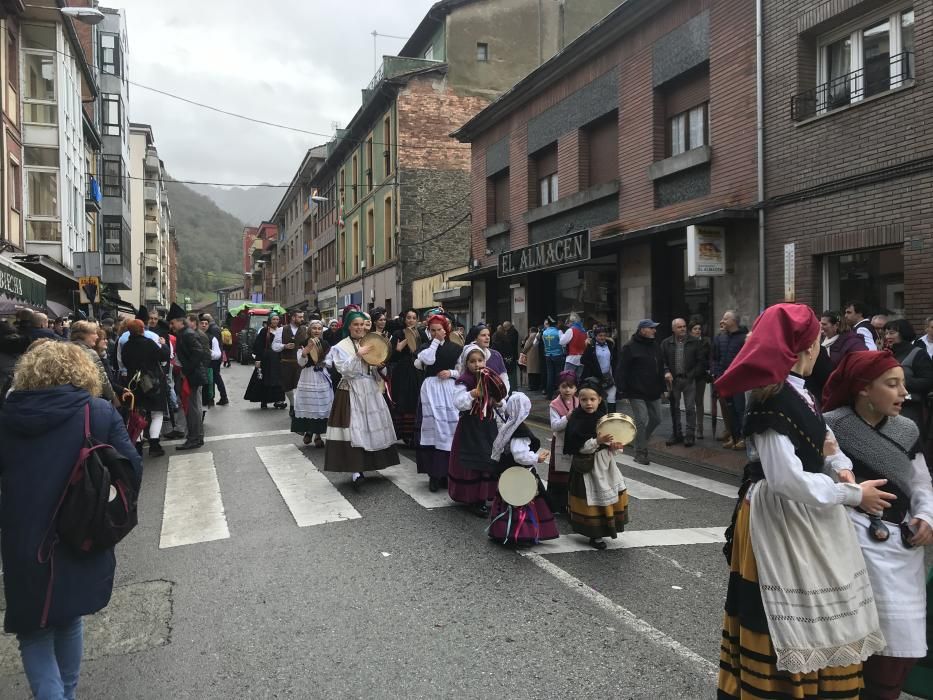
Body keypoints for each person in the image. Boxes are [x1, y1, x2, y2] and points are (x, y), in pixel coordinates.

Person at [715, 303, 887, 699]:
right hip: (780, 518)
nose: (821, 350)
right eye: (817, 344)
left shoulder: (800, 392)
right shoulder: (770, 400)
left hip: (812, 512)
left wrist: (841, 467)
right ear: (806, 347)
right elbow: (786, 479)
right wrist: (853, 493)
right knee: (785, 613)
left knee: (823, 609)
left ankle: (818, 687)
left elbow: (826, 442)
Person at [0, 341, 141, 700]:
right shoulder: (96, 412)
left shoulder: (7, 416)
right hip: (82, 527)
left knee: (33, 629)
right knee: (68, 618)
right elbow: (130, 468)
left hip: (23, 536)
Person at [822, 350, 933, 699]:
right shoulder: (832, 425)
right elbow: (819, 481)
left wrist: (926, 515)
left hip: (903, 546)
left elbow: (920, 483)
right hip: (852, 544)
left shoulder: (907, 429)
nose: (905, 393)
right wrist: (855, 495)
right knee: (861, 643)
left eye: (903, 384)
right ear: (863, 389)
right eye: (892, 384)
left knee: (904, 646)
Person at [323, 310, 399, 487]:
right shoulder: (341, 346)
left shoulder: (371, 342)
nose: (359, 328)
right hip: (350, 390)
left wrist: (379, 366)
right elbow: (345, 371)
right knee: (354, 429)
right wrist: (358, 355)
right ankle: (356, 469)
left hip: (370, 389)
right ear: (349, 326)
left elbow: (376, 369)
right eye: (355, 324)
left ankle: (373, 462)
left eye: (361, 324)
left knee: (371, 426)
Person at [563, 378, 629, 550]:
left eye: (592, 399)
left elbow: (613, 441)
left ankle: (607, 527)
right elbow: (578, 447)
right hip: (587, 468)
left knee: (606, 496)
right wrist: (596, 441)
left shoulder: (604, 418)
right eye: (584, 399)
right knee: (592, 499)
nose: (588, 403)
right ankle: (595, 534)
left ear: (600, 399)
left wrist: (614, 446)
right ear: (579, 400)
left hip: (605, 465)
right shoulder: (577, 418)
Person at [487, 392, 559, 546]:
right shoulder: (520, 431)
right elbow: (519, 455)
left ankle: (500, 530)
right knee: (521, 502)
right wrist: (536, 458)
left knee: (507, 501)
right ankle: (520, 535)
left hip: (508, 472)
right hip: (519, 474)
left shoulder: (509, 426)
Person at [448, 344, 502, 516]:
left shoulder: (490, 377)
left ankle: (485, 495)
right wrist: (472, 394)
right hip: (469, 427)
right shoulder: (464, 381)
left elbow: (500, 397)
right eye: (473, 361)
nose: (477, 364)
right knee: (471, 460)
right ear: (466, 363)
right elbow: (458, 402)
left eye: (480, 360)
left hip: (488, 425)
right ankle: (471, 497)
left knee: (487, 457)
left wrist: (499, 401)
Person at [414, 314, 461, 492]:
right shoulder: (425, 347)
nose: (436, 333)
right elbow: (427, 361)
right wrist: (434, 342)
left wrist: (451, 373)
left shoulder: (455, 348)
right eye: (432, 330)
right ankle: (433, 474)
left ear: (446, 330)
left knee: (450, 429)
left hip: (449, 389)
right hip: (431, 390)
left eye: (439, 330)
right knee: (432, 429)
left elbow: (462, 370)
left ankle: (448, 473)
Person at [616, 319, 664, 465]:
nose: (654, 331)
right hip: (636, 391)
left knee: (657, 419)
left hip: (653, 389)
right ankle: (640, 452)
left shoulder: (655, 346)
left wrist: (663, 387)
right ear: (642, 330)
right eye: (651, 328)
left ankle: (639, 440)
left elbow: (660, 367)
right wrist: (622, 390)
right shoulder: (629, 347)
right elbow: (621, 370)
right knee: (641, 420)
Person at [122, 319, 171, 457]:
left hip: (134, 382)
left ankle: (137, 445)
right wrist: (164, 345)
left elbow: (123, 362)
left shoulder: (126, 346)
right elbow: (163, 357)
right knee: (156, 413)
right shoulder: (149, 343)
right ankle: (154, 445)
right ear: (142, 329)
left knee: (138, 414)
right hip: (152, 382)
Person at [168, 303, 209, 450]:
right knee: (194, 408)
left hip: (192, 376)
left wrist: (186, 370)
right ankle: (197, 437)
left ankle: (194, 438)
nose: (171, 326)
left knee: (192, 409)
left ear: (180, 321)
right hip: (193, 374)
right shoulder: (185, 334)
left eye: (173, 323)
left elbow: (199, 352)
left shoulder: (187, 334)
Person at [885, 319, 933, 444]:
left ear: (903, 333)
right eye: (886, 333)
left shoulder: (918, 354)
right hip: (887, 408)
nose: (887, 336)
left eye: (891, 333)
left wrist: (900, 381)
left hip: (909, 409)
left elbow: (928, 381)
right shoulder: (886, 354)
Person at [660, 318, 705, 447]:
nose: (683, 329)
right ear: (673, 329)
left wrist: (692, 375)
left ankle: (690, 435)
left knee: (690, 408)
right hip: (673, 381)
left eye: (684, 326)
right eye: (679, 327)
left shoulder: (695, 342)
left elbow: (701, 362)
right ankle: (676, 434)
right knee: (674, 408)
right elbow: (662, 361)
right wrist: (666, 371)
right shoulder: (666, 343)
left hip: (689, 380)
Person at [711, 310, 748, 450]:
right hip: (723, 380)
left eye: (726, 319)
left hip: (738, 381)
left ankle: (743, 438)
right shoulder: (720, 337)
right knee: (730, 410)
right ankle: (734, 436)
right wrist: (716, 373)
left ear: (734, 321)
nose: (722, 321)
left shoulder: (744, 338)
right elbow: (715, 357)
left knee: (740, 410)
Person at [291, 320, 332, 448]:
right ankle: (308, 431)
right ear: (309, 330)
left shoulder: (325, 344)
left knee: (320, 405)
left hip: (321, 377)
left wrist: (324, 363)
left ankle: (318, 435)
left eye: (319, 328)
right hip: (308, 376)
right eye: (314, 328)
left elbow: (330, 360)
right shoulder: (304, 343)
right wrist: (305, 351)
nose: (317, 331)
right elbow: (301, 363)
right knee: (309, 405)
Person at [387, 308, 424, 447]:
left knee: (415, 399)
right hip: (402, 371)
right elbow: (391, 356)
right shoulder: (398, 333)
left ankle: (414, 434)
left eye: (414, 318)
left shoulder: (421, 333)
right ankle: (402, 433)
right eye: (409, 317)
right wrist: (399, 348)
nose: (411, 320)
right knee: (402, 399)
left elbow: (426, 352)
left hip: (417, 370)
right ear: (404, 319)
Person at [546, 370, 579, 515]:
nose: (567, 390)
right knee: (558, 473)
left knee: (573, 473)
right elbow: (555, 426)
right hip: (560, 441)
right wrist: (568, 417)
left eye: (571, 387)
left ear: (576, 388)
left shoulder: (579, 401)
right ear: (559, 387)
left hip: (575, 442)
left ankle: (570, 504)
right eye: (564, 386)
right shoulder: (554, 405)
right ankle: (556, 505)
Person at [68, 321, 117, 405]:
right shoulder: (90, 353)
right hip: (87, 397)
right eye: (94, 333)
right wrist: (112, 396)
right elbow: (102, 379)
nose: (97, 336)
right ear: (84, 335)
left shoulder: (65, 349)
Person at [245, 314, 287, 410]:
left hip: (278, 359)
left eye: (277, 319)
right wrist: (258, 359)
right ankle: (264, 400)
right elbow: (258, 346)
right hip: (267, 360)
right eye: (273, 319)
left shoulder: (281, 331)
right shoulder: (264, 331)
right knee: (265, 379)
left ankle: (279, 401)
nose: (275, 321)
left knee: (279, 380)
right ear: (269, 320)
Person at [460, 324, 510, 392]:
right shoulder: (468, 354)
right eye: (483, 335)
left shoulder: (496, 355)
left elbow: (504, 378)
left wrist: (502, 396)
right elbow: (461, 374)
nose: (487, 338)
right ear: (475, 338)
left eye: (488, 335)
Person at [276, 310, 307, 413]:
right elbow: (274, 346)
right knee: (287, 386)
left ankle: (295, 407)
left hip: (300, 363)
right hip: (286, 362)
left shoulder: (305, 330)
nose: (302, 319)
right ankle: (292, 403)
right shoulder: (282, 329)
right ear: (293, 318)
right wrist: (284, 346)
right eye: (300, 317)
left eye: (302, 317)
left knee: (299, 386)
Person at [581, 324, 618, 412]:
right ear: (596, 336)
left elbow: (615, 359)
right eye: (600, 335)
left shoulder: (610, 344)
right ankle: (599, 420)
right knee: (597, 400)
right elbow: (583, 360)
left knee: (612, 398)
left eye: (604, 335)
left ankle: (611, 420)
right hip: (596, 378)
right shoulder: (591, 345)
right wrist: (594, 368)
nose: (602, 337)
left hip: (609, 377)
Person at [689, 319, 711, 440]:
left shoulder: (706, 342)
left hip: (701, 376)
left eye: (699, 329)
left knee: (699, 402)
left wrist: (708, 369)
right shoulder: (687, 342)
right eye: (695, 329)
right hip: (690, 377)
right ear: (690, 331)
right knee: (690, 403)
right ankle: (690, 428)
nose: (698, 331)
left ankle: (700, 429)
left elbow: (709, 358)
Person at [199, 313, 229, 406]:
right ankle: (214, 398)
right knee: (213, 378)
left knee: (214, 378)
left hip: (213, 360)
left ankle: (219, 397)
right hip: (212, 359)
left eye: (205, 323)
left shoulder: (213, 331)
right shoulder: (213, 329)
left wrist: (209, 352)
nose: (204, 325)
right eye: (202, 323)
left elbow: (215, 346)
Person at [560, 314, 587, 382]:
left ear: (572, 322)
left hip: (571, 358)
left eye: (569, 322)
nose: (567, 324)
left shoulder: (571, 330)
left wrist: (560, 333)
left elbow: (562, 342)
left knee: (567, 379)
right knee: (577, 380)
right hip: (581, 359)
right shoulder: (584, 331)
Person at [541, 316, 563, 399]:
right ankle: (560, 394)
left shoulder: (544, 332)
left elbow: (544, 343)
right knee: (559, 375)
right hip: (558, 355)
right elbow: (562, 343)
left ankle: (549, 395)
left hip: (548, 355)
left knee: (550, 375)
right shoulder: (558, 332)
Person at [519, 326, 542, 391]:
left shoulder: (532, 336)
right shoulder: (538, 335)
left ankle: (532, 386)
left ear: (530, 331)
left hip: (531, 355)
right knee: (536, 371)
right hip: (537, 355)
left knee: (531, 371)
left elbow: (527, 346)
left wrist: (523, 351)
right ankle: (537, 385)